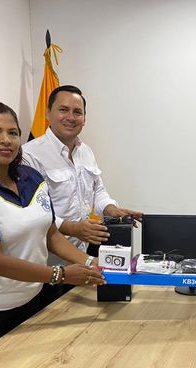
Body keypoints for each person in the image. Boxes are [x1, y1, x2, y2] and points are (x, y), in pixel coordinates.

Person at [0, 101, 105, 368]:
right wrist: (60, 275)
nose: (6, 140)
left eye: (13, 133)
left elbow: (50, 233)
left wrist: (89, 262)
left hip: (30, 303)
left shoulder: (31, 177)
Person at [22, 85, 142, 307]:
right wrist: (72, 228)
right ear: (47, 113)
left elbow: (98, 190)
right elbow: (32, 212)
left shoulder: (85, 151)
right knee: (48, 317)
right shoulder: (29, 155)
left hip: (82, 256)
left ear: (84, 118)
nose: (71, 117)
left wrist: (111, 209)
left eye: (77, 112)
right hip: (46, 265)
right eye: (63, 110)